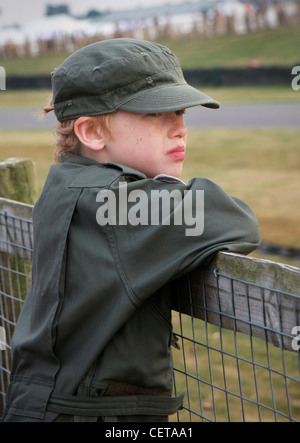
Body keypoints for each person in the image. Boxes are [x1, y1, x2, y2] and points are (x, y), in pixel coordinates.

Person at [2, 38, 260, 422]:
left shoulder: (66, 184)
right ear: (92, 132)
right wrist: (167, 190)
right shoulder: (118, 206)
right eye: (155, 114)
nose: (180, 128)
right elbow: (238, 221)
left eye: (180, 110)